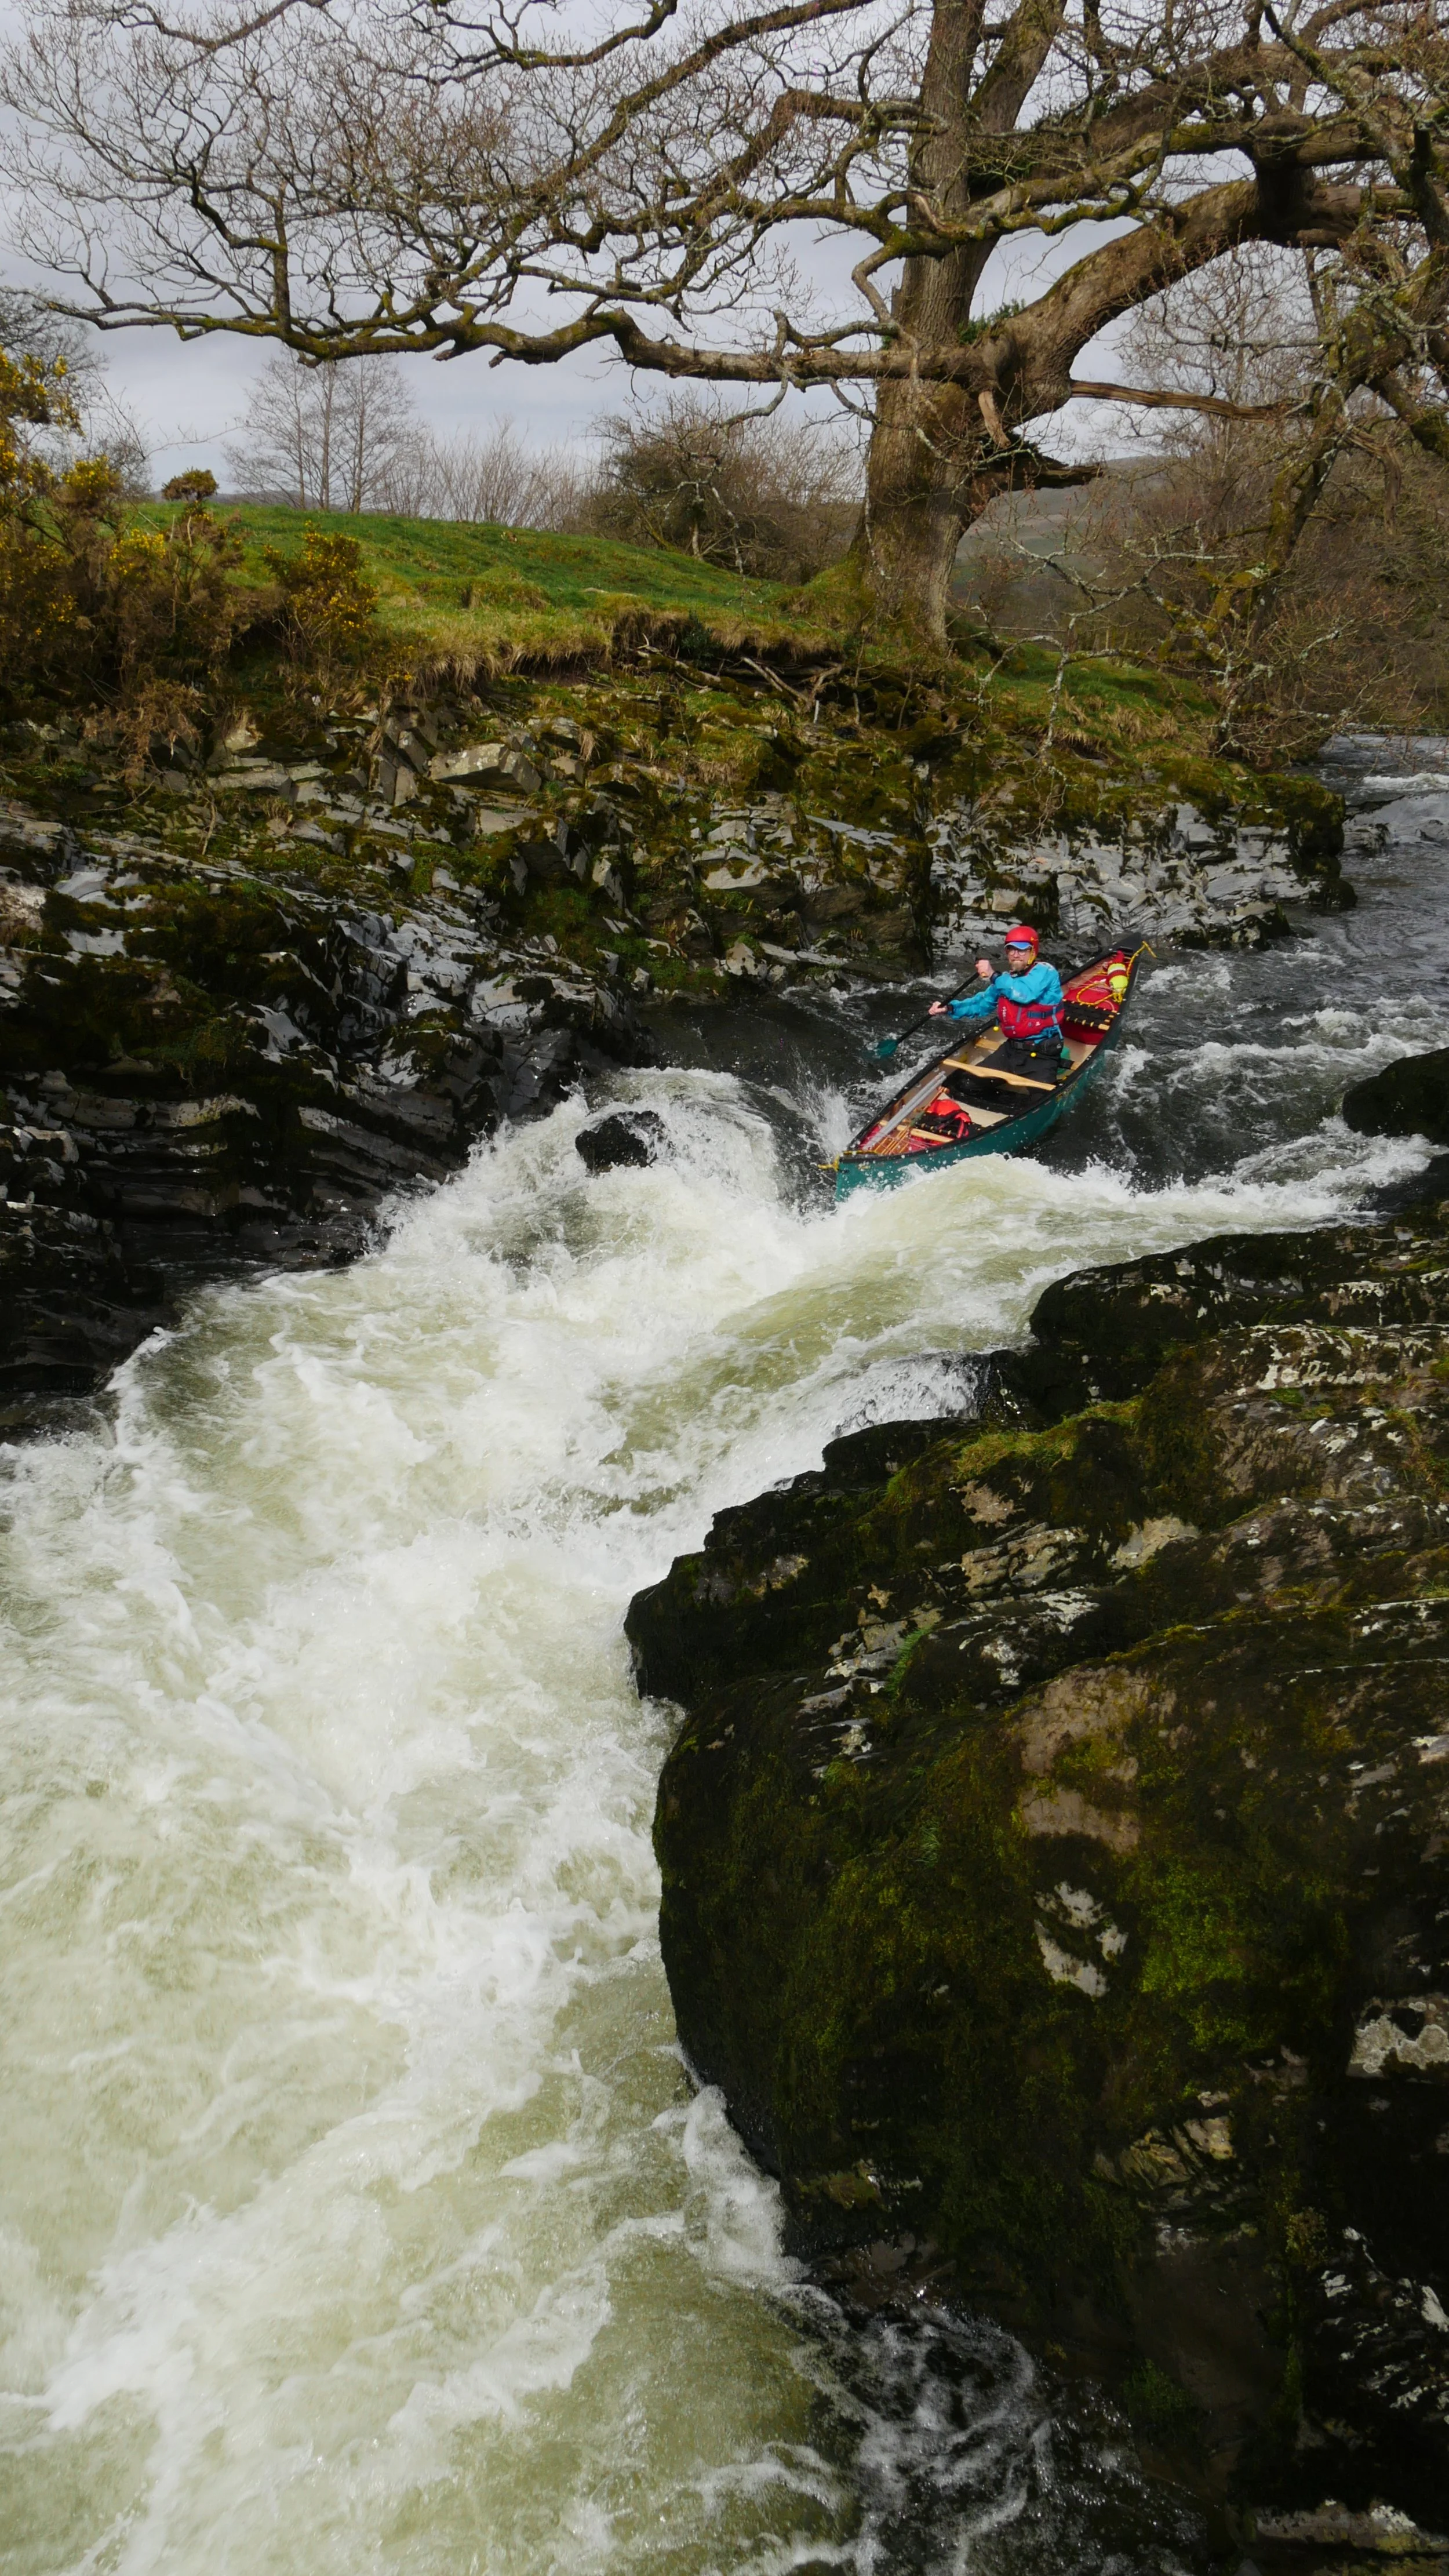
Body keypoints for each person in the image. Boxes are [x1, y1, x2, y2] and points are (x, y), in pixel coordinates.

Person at [929, 925, 1065, 1085]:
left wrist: (993, 975)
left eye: (1022, 950)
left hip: (1042, 1054)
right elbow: (981, 1004)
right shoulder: (1005, 980)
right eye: (1011, 950)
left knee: (1039, 1100)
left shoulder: (1045, 972)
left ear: (1033, 952)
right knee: (967, 1084)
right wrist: (949, 1008)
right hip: (1011, 1050)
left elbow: (1025, 994)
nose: (1015, 955)